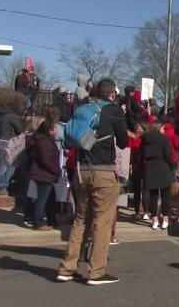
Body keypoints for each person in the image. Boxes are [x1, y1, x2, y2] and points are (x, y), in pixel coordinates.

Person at [57, 78, 128, 286]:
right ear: (112, 94)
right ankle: (96, 271)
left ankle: (67, 268)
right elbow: (123, 141)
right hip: (103, 171)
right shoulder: (114, 111)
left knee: (80, 219)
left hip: (81, 170)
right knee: (103, 221)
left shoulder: (83, 108)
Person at [142, 121, 175, 230]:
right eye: (163, 128)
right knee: (165, 196)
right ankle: (165, 219)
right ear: (159, 128)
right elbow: (168, 154)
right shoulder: (163, 139)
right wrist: (172, 165)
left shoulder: (145, 139)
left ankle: (154, 219)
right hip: (163, 167)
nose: (164, 130)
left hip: (150, 167)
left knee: (153, 196)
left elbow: (142, 154)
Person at [29, 120, 61, 231]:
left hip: (44, 174)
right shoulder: (44, 142)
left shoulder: (45, 140)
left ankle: (51, 219)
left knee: (50, 198)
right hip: (44, 174)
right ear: (48, 130)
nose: (56, 131)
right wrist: (56, 170)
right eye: (54, 129)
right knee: (42, 199)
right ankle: (38, 222)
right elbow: (46, 160)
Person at [0, 97, 25, 196]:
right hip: (9, 142)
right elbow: (21, 130)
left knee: (4, 165)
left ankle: (2, 185)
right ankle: (2, 186)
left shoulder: (2, 115)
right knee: (9, 165)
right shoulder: (13, 117)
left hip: (1, 141)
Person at [129, 122, 149, 220]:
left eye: (139, 126)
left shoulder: (144, 139)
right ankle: (137, 211)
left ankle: (145, 211)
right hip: (136, 166)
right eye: (136, 126)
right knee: (137, 189)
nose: (136, 128)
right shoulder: (134, 138)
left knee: (144, 189)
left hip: (143, 166)